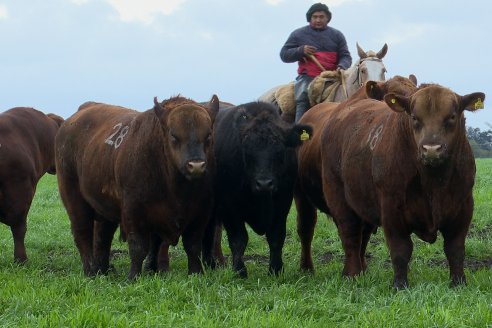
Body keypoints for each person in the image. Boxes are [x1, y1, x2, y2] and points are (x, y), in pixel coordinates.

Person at [280, 3, 352, 122]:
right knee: (303, 94)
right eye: (315, 17)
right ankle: (300, 131)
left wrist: (342, 66)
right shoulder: (298, 34)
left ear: (327, 18)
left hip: (332, 76)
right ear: (310, 18)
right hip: (308, 76)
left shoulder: (337, 35)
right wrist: (300, 50)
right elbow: (284, 54)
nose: (318, 20)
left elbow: (345, 56)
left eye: (321, 17)